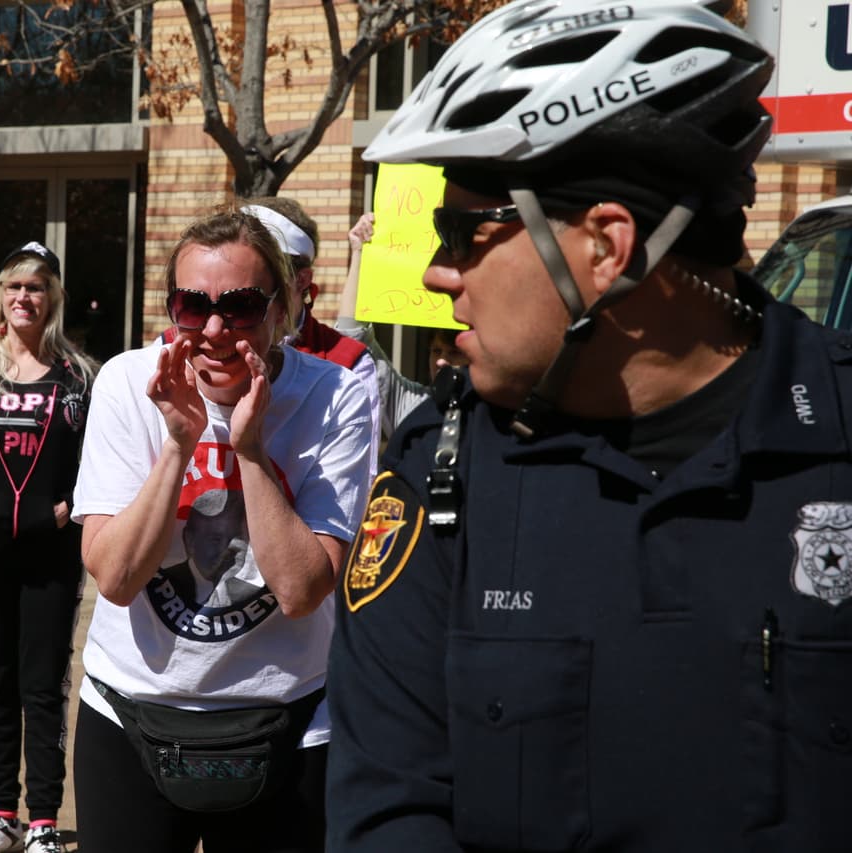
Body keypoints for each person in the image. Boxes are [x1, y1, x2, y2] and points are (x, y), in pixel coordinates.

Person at [325, 1, 852, 850]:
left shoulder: (836, 436)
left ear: (607, 246)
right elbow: (387, 813)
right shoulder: (435, 478)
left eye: (466, 232)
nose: (435, 272)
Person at [72, 206, 373, 852]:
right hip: (130, 710)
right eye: (191, 305)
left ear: (280, 310)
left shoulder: (339, 397)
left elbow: (299, 588)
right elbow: (118, 577)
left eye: (238, 306)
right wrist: (178, 445)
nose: (212, 328)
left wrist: (253, 448)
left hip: (289, 719)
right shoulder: (127, 383)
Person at [0, 241, 95, 853]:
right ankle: (1, 817)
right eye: (14, 287)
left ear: (53, 298)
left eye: (36, 288)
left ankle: (41, 823)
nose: (23, 298)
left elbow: (101, 460)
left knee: (43, 687)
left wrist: (68, 508)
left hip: (52, 557)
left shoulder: (80, 377)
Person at [158, 198, 381, 470]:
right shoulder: (166, 355)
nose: (214, 330)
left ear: (300, 280)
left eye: (242, 303)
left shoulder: (346, 365)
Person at [336, 211, 469, 437]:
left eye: (454, 353)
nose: (440, 361)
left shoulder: (503, 416)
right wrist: (360, 252)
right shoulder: (413, 405)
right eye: (436, 350)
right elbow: (352, 338)